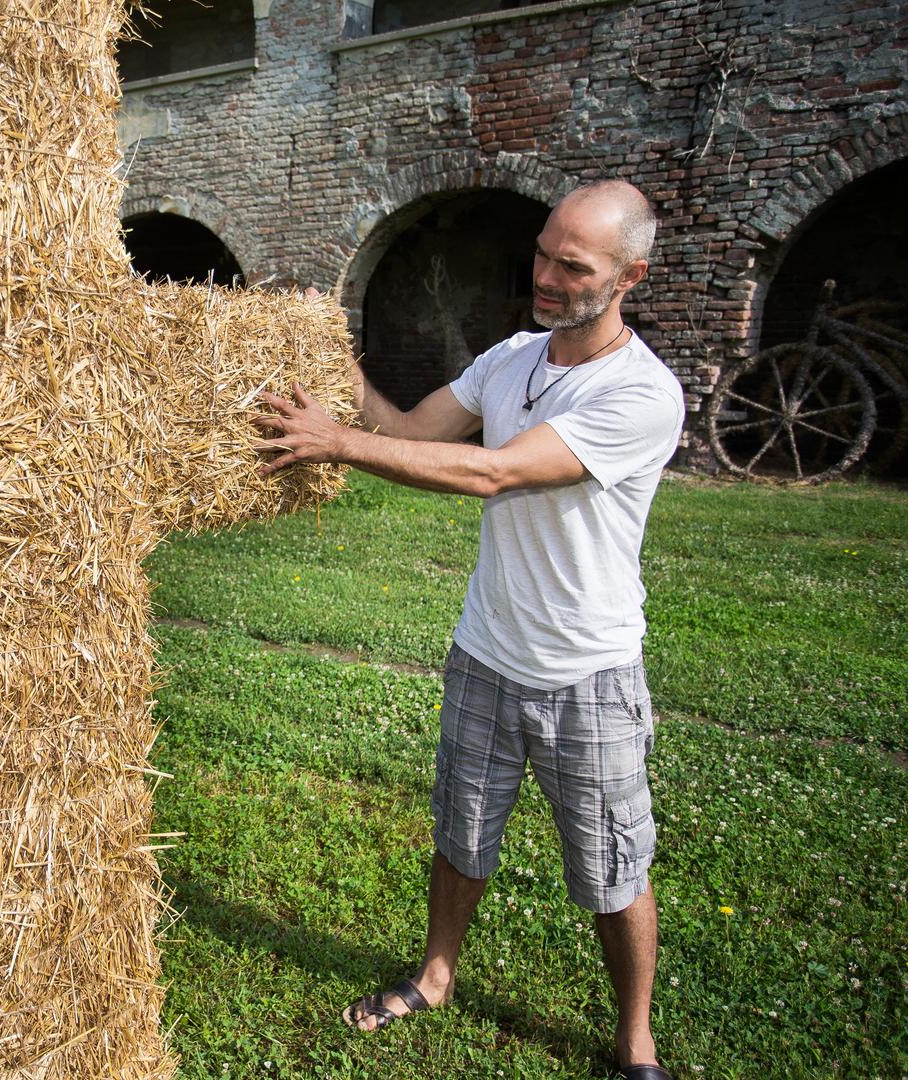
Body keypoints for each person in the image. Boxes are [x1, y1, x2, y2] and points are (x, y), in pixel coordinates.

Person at [253, 179, 682, 1080]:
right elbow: (406, 429)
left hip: (587, 670)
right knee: (463, 830)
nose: (548, 276)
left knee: (612, 867)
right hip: (487, 651)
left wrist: (337, 443)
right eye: (543, 253)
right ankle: (436, 976)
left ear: (630, 275)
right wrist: (327, 356)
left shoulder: (643, 395)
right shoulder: (514, 358)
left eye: (574, 266)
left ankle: (634, 1038)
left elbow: (496, 473)